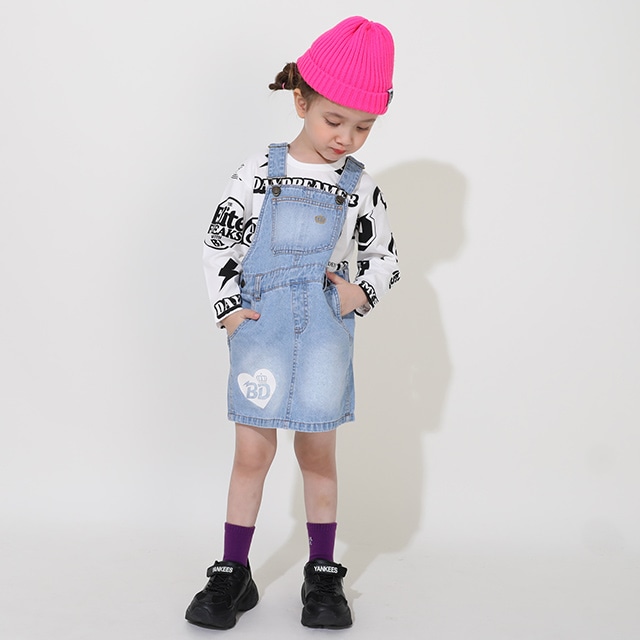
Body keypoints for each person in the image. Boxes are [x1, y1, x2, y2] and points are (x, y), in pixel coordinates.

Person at [185, 15, 399, 630]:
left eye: (363, 127)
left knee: (318, 453)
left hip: (327, 336)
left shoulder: (360, 188)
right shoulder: (259, 171)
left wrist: (361, 293)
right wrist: (230, 311)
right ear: (301, 100)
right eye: (335, 120)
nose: (346, 138)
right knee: (252, 453)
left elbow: (386, 257)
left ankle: (322, 572)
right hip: (263, 333)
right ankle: (233, 571)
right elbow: (221, 241)